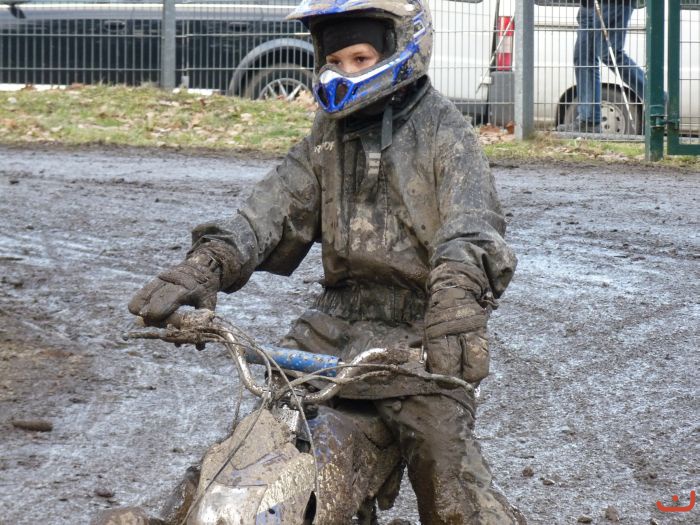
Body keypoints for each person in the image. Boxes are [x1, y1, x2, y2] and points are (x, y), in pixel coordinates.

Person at [124, 0, 523, 523]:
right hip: (331, 326)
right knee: (256, 443)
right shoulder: (327, 136)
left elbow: (472, 225)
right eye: (334, 61)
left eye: (359, 58)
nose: (343, 73)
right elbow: (271, 208)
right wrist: (208, 263)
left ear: (399, 50)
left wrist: (456, 298)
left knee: (448, 480)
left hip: (418, 334)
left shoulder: (444, 131)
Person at [557, 0, 645, 133]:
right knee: (583, 56)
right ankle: (589, 121)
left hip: (613, 3)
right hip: (588, 6)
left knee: (609, 53)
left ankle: (657, 97)